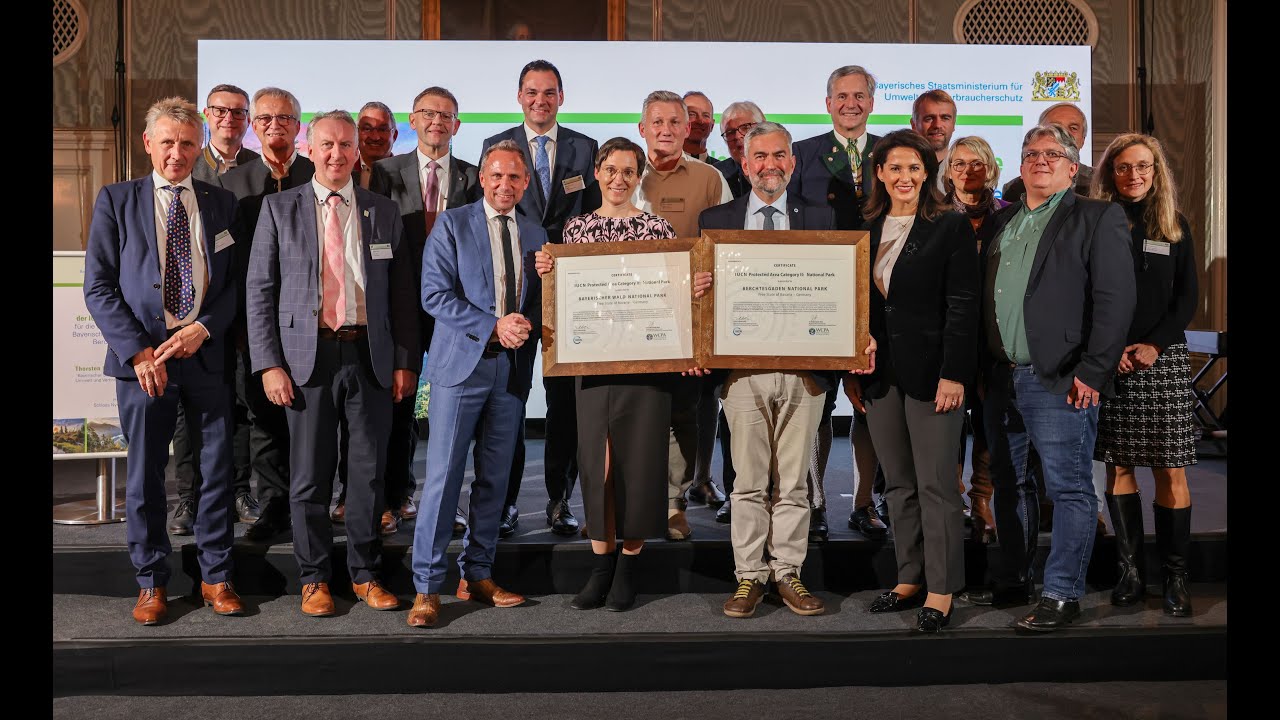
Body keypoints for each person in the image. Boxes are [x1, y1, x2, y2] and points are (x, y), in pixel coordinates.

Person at [246, 109, 420, 617]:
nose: (338, 154)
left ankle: (365, 575)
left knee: (367, 475)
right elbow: (260, 292)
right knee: (309, 476)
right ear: (309, 146)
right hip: (307, 358)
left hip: (371, 355)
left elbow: (402, 295)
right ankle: (315, 578)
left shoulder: (382, 211)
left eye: (346, 145)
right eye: (328, 144)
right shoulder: (279, 209)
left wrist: (405, 361)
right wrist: (269, 364)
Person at [698, 122, 874, 619]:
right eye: (760, 156)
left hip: (804, 370)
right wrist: (700, 291)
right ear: (745, 163)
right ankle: (749, 577)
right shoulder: (716, 218)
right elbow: (703, 298)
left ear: (793, 163)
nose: (770, 164)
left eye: (780, 155)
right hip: (741, 372)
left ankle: (789, 573)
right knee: (748, 481)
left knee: (794, 482)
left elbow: (844, 288)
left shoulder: (822, 216)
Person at [964, 123, 1135, 632]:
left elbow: (1114, 300)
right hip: (1000, 377)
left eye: (1052, 154)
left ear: (1072, 167)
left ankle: (1063, 592)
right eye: (1031, 153)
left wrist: (1095, 371)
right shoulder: (1003, 222)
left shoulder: (1098, 218)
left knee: (1068, 488)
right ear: (1020, 165)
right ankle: (1015, 578)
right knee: (1009, 486)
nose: (1040, 160)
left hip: (1060, 378)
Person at [84, 96, 244, 624]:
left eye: (188, 143)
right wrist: (138, 350)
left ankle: (216, 576)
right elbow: (100, 288)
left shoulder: (221, 203)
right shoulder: (115, 200)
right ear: (148, 143)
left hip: (205, 356)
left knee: (217, 472)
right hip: (145, 363)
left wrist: (203, 327)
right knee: (148, 475)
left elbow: (235, 285)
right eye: (168, 142)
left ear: (201, 148)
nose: (178, 152)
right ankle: (151, 581)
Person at [532, 137, 679, 611]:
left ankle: (629, 566)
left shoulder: (658, 228)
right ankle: (601, 563)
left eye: (629, 172)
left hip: (645, 364)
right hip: (592, 363)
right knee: (600, 463)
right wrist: (547, 271)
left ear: (640, 178)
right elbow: (564, 298)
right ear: (597, 172)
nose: (619, 180)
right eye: (611, 170)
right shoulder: (574, 232)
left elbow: (670, 295)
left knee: (637, 463)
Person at [406, 140, 545, 628]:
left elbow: (536, 303)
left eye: (515, 178)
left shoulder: (534, 231)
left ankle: (479, 575)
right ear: (482, 178)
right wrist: (492, 324)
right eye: (497, 176)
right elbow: (433, 295)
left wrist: (534, 314)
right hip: (459, 369)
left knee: (495, 479)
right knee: (443, 478)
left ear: (525, 183)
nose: (505, 185)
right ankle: (426, 587)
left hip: (509, 372)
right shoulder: (452, 223)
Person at [845, 130, 978, 633]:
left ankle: (942, 589)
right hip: (879, 377)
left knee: (937, 485)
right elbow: (857, 304)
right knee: (898, 484)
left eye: (914, 168)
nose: (905, 177)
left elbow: (963, 306)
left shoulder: (950, 226)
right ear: (879, 173)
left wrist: (955, 374)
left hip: (934, 375)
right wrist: (851, 363)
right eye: (894, 168)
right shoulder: (865, 225)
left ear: (928, 173)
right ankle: (909, 577)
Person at [483, 59, 600, 539]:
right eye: (531, 92)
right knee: (509, 400)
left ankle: (558, 500)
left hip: (571, 297)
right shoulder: (496, 148)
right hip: (515, 296)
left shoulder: (585, 148)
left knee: (564, 406)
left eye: (549, 92)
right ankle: (506, 503)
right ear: (519, 97)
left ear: (561, 97)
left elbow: (594, 220)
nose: (540, 100)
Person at [362, 86, 481, 537]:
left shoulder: (472, 177)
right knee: (398, 405)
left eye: (446, 115)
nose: (437, 121)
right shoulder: (383, 172)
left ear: (457, 124)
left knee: (452, 413)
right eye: (429, 113)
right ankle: (393, 498)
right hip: (400, 303)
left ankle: (446, 502)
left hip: (455, 307)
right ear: (412, 121)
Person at [1090, 133, 1199, 617]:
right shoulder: (1094, 223)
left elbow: (1187, 299)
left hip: (1163, 359)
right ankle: (1131, 573)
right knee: (1119, 466)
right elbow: (1087, 295)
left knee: (1169, 468)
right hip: (1110, 359)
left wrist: (1154, 345)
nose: (1133, 175)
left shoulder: (1174, 224)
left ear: (1157, 172)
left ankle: (1176, 577)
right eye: (1123, 167)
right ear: (1109, 172)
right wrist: (1108, 349)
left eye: (1143, 167)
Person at [789, 65, 888, 541]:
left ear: (872, 101)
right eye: (841, 95)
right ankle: (815, 502)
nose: (851, 103)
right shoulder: (802, 154)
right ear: (827, 102)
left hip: (881, 293)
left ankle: (865, 503)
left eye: (860, 95)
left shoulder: (892, 153)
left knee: (870, 402)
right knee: (819, 401)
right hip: (818, 294)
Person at [633, 89, 734, 540]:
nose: (667, 131)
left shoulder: (711, 178)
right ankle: (635, 500)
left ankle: (675, 504)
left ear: (686, 128)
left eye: (675, 122)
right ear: (642, 129)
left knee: (685, 412)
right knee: (635, 410)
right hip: (632, 313)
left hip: (693, 316)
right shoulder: (623, 174)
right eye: (657, 123)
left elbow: (730, 244)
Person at [221, 86, 315, 543]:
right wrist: (239, 325)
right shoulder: (230, 185)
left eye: (284, 119)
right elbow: (225, 263)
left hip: (313, 326)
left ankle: (311, 504)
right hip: (252, 325)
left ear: (299, 127)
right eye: (265, 119)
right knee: (264, 421)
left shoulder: (320, 175)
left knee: (313, 421)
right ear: (253, 127)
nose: (274, 126)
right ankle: (274, 506)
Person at [170, 82, 261, 536]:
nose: (230, 118)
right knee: (188, 413)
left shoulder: (257, 169)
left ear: (248, 120)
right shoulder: (188, 164)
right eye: (221, 111)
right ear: (207, 115)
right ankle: (188, 498)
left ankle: (242, 489)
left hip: (239, 311)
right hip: (187, 315)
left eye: (239, 112)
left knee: (241, 405)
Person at [940, 135, 1009, 543]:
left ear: (991, 168)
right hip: (948, 336)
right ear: (948, 172)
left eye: (978, 163)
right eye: (960, 163)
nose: (968, 171)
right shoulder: (933, 215)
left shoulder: (1009, 215)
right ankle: (954, 498)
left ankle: (983, 502)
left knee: (988, 424)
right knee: (947, 425)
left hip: (994, 336)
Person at [1001, 102, 1093, 200]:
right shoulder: (1014, 189)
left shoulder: (1103, 181)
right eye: (1055, 127)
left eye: (1073, 128)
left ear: (1083, 139)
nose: (1064, 133)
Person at [712, 100, 763, 201]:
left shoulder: (784, 169)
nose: (737, 136)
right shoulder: (715, 175)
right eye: (730, 132)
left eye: (745, 128)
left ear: (763, 128)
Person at [354, 101, 398, 189]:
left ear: (394, 135)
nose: (375, 137)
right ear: (356, 134)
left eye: (382, 129)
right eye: (367, 129)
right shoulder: (343, 172)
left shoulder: (408, 175)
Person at [910, 89, 957, 162]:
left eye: (945, 118)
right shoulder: (899, 170)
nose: (937, 125)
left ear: (953, 124)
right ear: (914, 125)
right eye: (929, 119)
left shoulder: (965, 171)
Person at [682, 91, 716, 162]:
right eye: (691, 114)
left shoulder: (723, 171)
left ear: (712, 125)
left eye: (705, 115)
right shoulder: (663, 167)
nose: (700, 121)